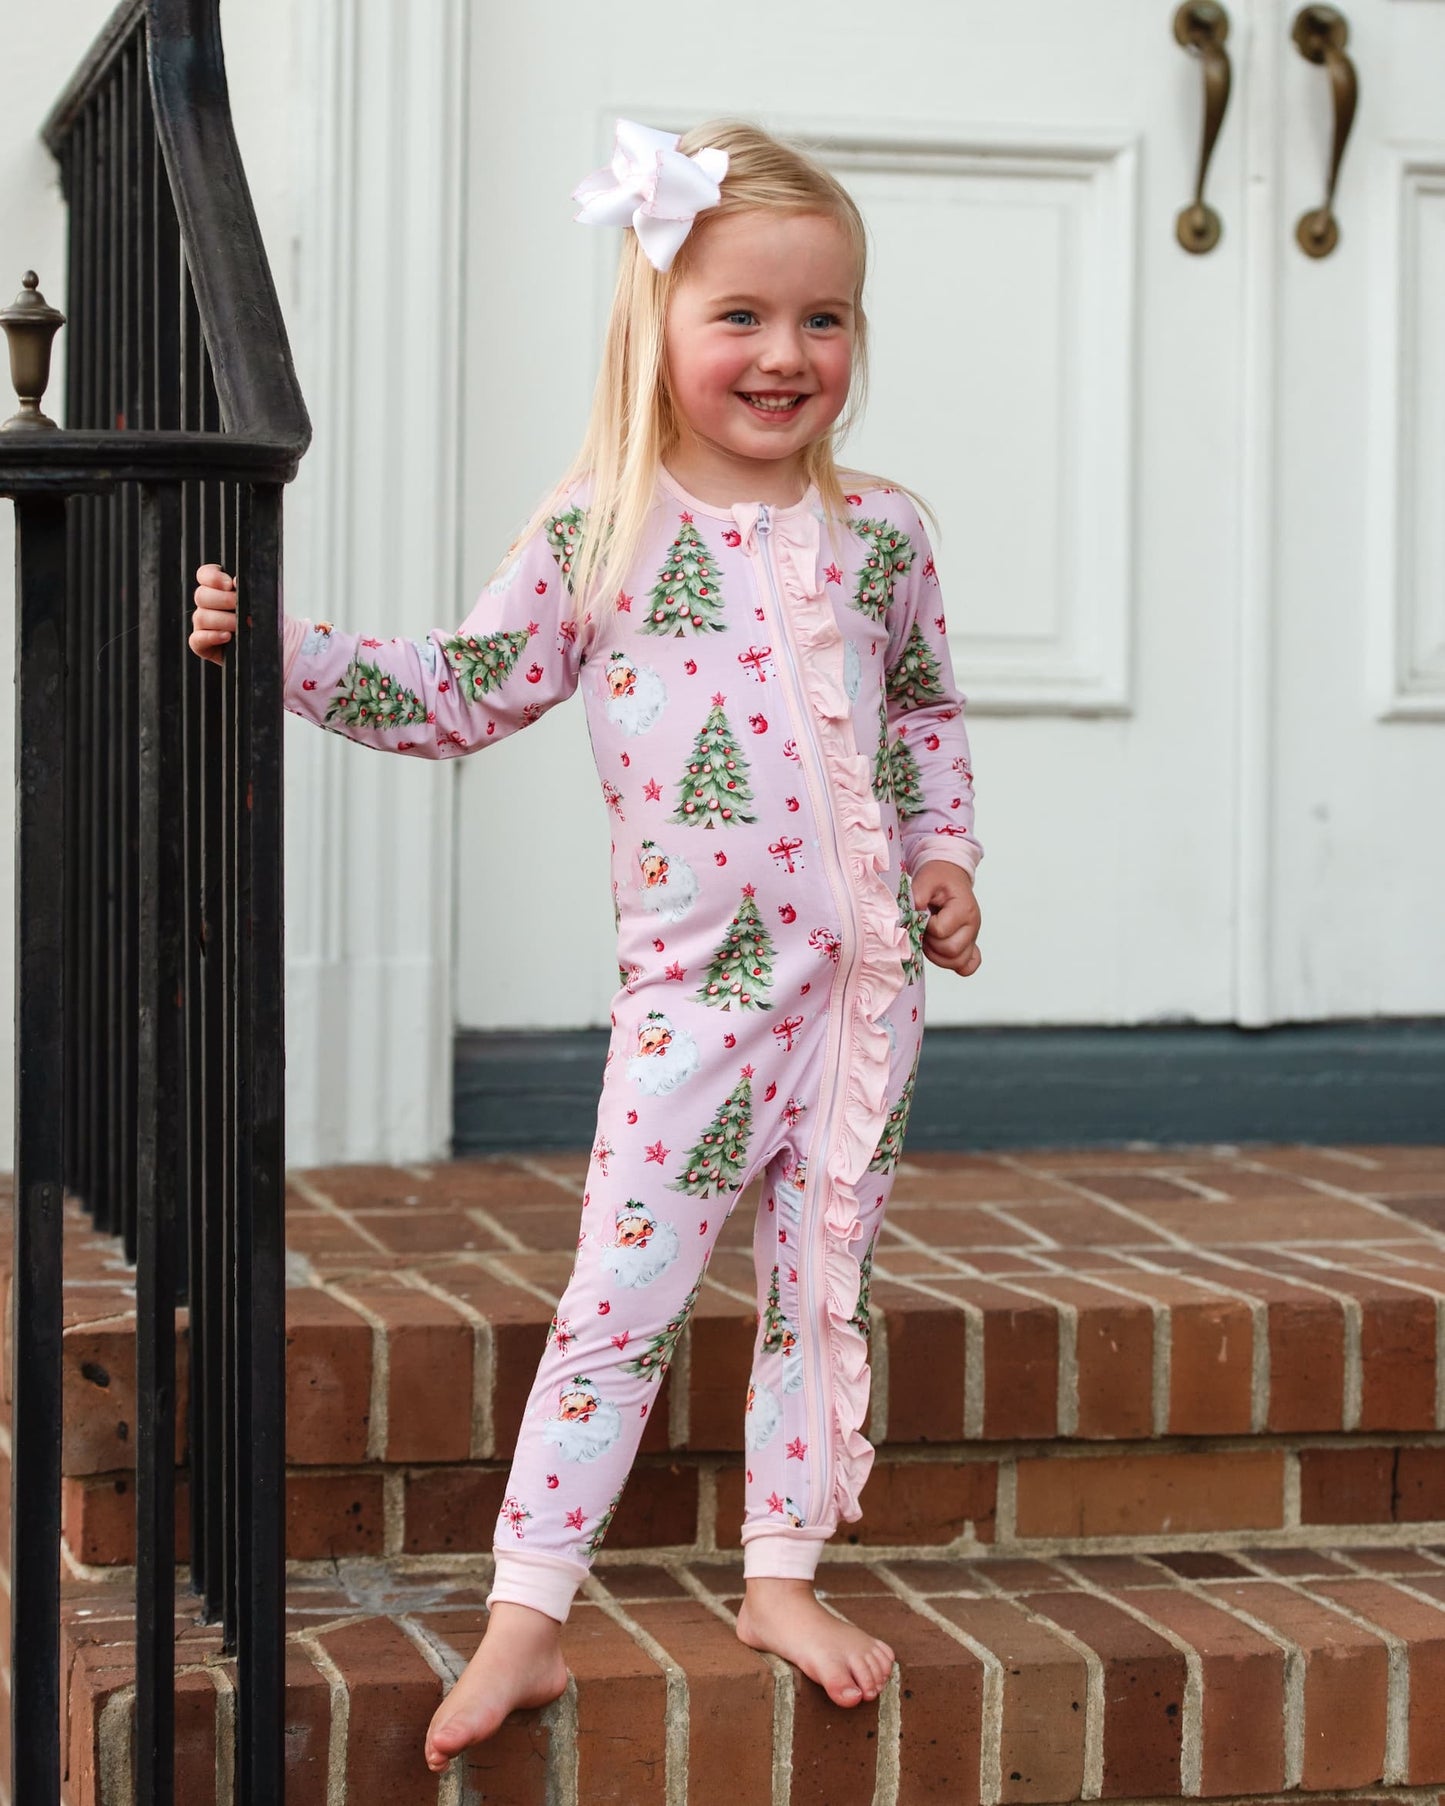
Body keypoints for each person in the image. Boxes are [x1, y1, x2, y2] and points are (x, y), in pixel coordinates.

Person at [190, 116, 984, 1772]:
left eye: (823, 318)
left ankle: (780, 1576)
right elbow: (456, 688)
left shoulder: (886, 531)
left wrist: (942, 858)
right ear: (656, 324)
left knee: (820, 1287)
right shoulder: (602, 529)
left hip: (865, 1008)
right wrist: (280, 647)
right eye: (740, 316)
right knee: (618, 1298)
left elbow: (920, 712)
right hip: (700, 1006)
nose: (785, 354)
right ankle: (528, 1612)